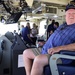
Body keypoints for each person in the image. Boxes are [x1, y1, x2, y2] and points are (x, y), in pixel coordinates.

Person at [23, 4, 75, 75]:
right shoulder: (63, 26)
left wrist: (59, 48)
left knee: (38, 59)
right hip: (47, 49)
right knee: (26, 53)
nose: (71, 15)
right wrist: (45, 43)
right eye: (69, 13)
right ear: (65, 16)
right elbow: (54, 37)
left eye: (74, 13)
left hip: (59, 55)